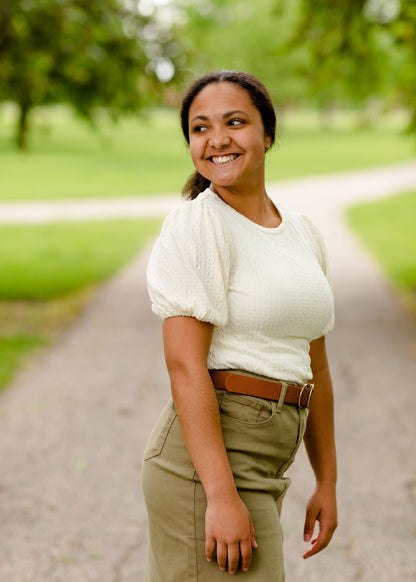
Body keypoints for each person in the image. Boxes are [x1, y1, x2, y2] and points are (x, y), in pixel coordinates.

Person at [142, 70, 337, 581]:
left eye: (235, 122)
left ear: (267, 134)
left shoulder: (301, 233)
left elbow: (313, 363)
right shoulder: (197, 225)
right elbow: (185, 367)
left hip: (270, 457)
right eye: (200, 128)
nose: (218, 139)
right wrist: (221, 497)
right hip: (209, 465)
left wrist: (328, 482)